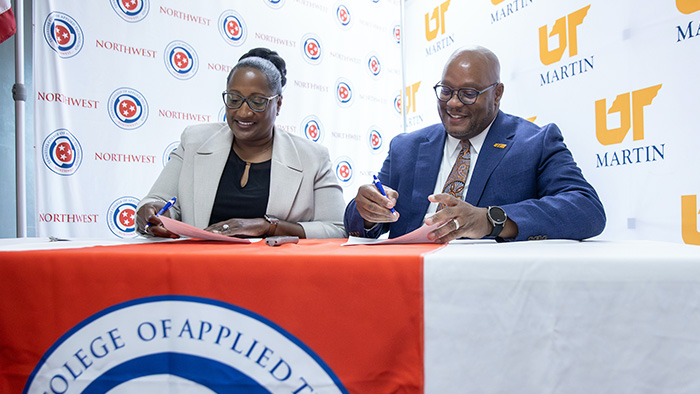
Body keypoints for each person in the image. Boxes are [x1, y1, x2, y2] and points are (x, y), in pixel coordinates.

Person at [344, 45, 606, 242]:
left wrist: (491, 219)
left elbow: (587, 209)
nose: (453, 103)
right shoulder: (405, 147)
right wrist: (368, 211)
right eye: (446, 90)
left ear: (498, 93)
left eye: (469, 94)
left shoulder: (536, 142)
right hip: (407, 285)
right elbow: (356, 225)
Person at [136, 48, 346, 239]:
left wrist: (268, 226)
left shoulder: (312, 157)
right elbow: (158, 201)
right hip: (200, 271)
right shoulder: (194, 141)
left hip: (276, 274)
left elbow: (337, 228)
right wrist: (153, 213)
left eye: (257, 102)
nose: (243, 112)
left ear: (278, 103)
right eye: (234, 99)